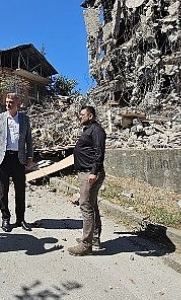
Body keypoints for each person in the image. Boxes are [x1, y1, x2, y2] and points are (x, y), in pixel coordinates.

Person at [0, 92, 34, 232]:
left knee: (20, 191)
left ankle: (20, 219)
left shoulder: (24, 119)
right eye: (7, 102)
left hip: (19, 159)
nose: (8, 104)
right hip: (3, 159)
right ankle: (5, 218)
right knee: (3, 191)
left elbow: (29, 141)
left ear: (17, 104)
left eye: (11, 102)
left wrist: (30, 157)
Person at [68, 105, 106, 256]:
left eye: (82, 115)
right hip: (86, 172)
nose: (80, 117)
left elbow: (99, 151)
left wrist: (93, 171)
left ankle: (86, 245)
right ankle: (94, 238)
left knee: (86, 207)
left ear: (90, 116)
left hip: (89, 174)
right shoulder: (89, 130)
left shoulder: (97, 130)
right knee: (92, 205)